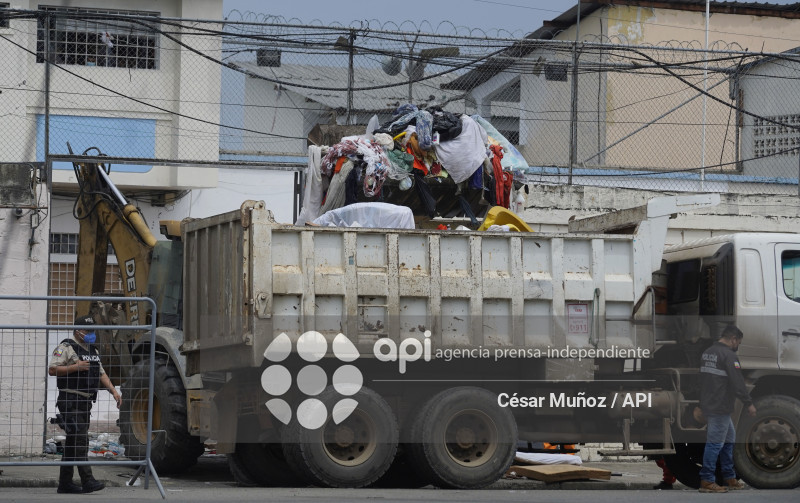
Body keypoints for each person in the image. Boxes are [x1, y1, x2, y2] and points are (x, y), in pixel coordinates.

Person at [49, 314, 122, 494]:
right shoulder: (66, 347)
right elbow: (52, 369)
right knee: (81, 441)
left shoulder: (92, 350)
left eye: (92, 330)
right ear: (77, 331)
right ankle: (88, 480)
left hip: (85, 402)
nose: (90, 333)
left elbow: (101, 373)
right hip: (70, 400)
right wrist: (76, 367)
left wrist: (114, 391)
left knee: (72, 443)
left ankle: (65, 483)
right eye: (87, 330)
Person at [698, 324, 757, 493]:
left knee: (729, 439)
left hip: (710, 403)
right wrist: (749, 403)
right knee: (715, 444)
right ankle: (707, 480)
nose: (738, 346)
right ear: (733, 339)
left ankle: (729, 477)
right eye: (738, 342)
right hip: (720, 406)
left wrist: (699, 404)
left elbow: (701, 380)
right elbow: (737, 383)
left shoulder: (708, 352)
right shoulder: (729, 355)